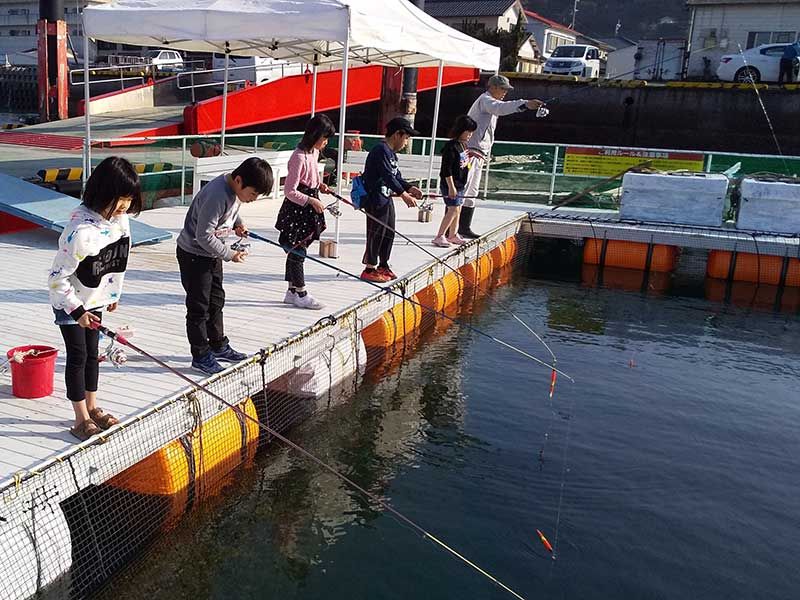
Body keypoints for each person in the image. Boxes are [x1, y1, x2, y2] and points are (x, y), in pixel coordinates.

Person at [48, 156, 142, 441]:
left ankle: (93, 406)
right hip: (71, 303)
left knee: (93, 355)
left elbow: (118, 260)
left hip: (96, 299)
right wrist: (77, 312)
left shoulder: (120, 220)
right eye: (121, 198)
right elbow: (56, 280)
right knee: (78, 356)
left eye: (129, 198)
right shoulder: (79, 233)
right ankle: (80, 418)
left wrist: (113, 294)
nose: (125, 205)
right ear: (104, 193)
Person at [176, 156, 273, 375]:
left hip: (211, 254)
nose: (253, 199)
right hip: (194, 254)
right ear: (239, 181)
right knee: (198, 307)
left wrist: (238, 225)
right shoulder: (217, 195)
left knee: (216, 300)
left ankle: (218, 344)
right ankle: (200, 355)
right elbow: (203, 236)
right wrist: (230, 254)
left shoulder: (235, 191)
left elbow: (233, 211)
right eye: (253, 194)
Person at [460, 74, 544, 238]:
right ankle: (454, 228)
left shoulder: (488, 101)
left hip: (478, 153)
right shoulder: (486, 100)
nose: (505, 92)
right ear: (493, 87)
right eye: (503, 88)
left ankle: (463, 227)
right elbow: (501, 108)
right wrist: (525, 104)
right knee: (464, 190)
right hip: (472, 153)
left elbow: (500, 108)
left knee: (472, 191)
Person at [276, 114, 335, 309]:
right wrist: (311, 200)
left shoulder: (314, 152)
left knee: (297, 249)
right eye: (324, 138)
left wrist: (320, 186)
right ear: (314, 135)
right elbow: (289, 191)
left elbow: (312, 177)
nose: (325, 142)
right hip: (297, 209)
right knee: (297, 250)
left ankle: (292, 291)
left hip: (309, 203)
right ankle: (301, 292)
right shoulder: (298, 157)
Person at [359, 117, 424, 283]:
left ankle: (383, 264)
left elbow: (396, 177)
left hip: (386, 197)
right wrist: (403, 194)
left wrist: (410, 188)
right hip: (375, 198)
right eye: (406, 137)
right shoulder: (380, 150)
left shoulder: (392, 154)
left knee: (389, 231)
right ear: (397, 134)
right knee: (376, 232)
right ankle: (369, 268)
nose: (406, 142)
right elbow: (387, 176)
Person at [433, 114, 477, 248]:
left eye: (471, 132)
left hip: (460, 184)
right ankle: (440, 235)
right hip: (451, 184)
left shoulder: (463, 146)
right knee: (452, 209)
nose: (470, 135)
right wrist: (451, 187)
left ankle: (453, 234)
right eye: (467, 131)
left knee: (457, 209)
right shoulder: (451, 147)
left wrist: (473, 154)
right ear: (460, 130)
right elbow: (446, 170)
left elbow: (463, 162)